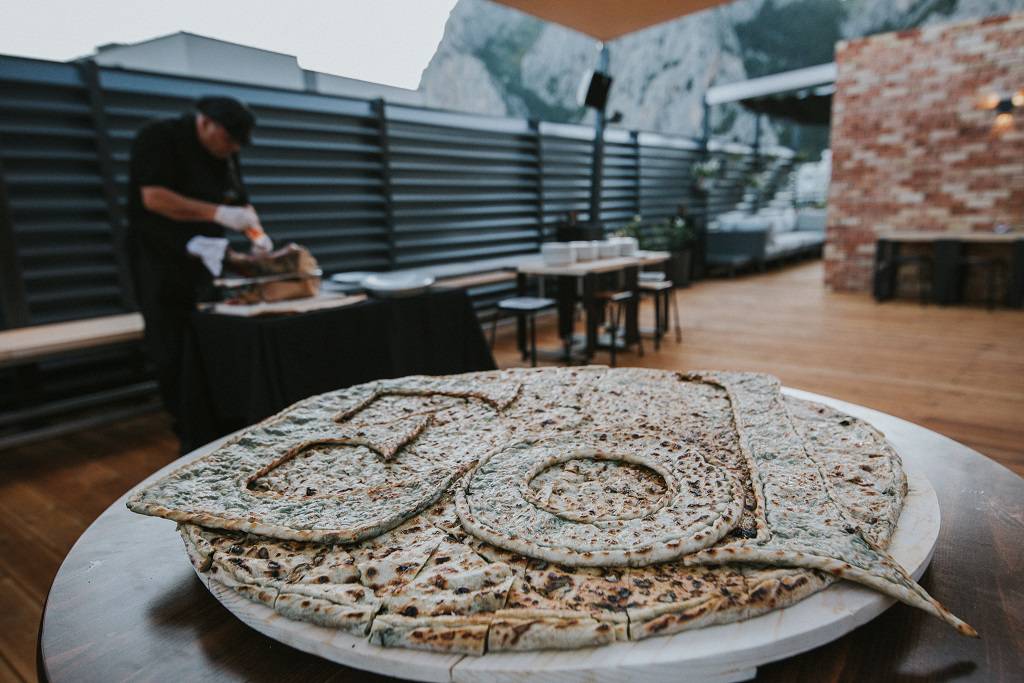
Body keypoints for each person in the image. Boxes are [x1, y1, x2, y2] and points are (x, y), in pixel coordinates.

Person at [126, 95, 269, 439]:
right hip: (161, 260)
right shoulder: (159, 137)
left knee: (210, 336)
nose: (233, 146)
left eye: (238, 142)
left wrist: (257, 234)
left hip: (206, 259)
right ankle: (187, 428)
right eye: (229, 138)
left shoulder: (226, 154)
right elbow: (154, 198)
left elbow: (240, 202)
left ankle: (224, 420)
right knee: (171, 344)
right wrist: (217, 214)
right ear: (205, 122)